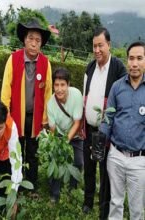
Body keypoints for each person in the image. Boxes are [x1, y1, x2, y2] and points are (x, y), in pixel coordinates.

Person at [0, 19, 52, 193]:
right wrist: (4, 115)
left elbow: (48, 93)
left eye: (38, 40)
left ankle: (32, 186)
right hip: (15, 116)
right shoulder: (13, 59)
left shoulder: (46, 64)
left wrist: (45, 119)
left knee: (33, 153)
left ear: (41, 44)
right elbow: (6, 89)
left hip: (36, 118)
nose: (34, 43)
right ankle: (16, 184)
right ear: (24, 40)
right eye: (31, 38)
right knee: (16, 150)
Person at [82, 27, 127, 217]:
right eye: (94, 46)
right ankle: (88, 201)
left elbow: (123, 100)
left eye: (100, 45)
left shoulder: (118, 68)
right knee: (89, 168)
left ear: (109, 45)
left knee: (106, 173)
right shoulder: (90, 67)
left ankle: (104, 207)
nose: (97, 50)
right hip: (89, 128)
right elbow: (86, 94)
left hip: (107, 131)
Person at [99, 41, 145, 220]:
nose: (134, 63)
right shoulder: (117, 87)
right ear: (127, 61)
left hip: (139, 160)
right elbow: (108, 118)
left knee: (136, 208)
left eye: (139, 58)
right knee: (115, 202)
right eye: (131, 58)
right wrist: (101, 141)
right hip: (116, 156)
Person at [46, 68, 84, 202]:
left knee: (78, 162)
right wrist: (56, 144)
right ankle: (54, 194)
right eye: (56, 85)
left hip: (75, 134)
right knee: (56, 161)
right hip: (60, 135)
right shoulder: (50, 104)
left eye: (63, 85)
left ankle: (72, 189)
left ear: (68, 84)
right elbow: (52, 129)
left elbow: (77, 122)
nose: (59, 89)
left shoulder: (77, 95)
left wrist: (67, 140)